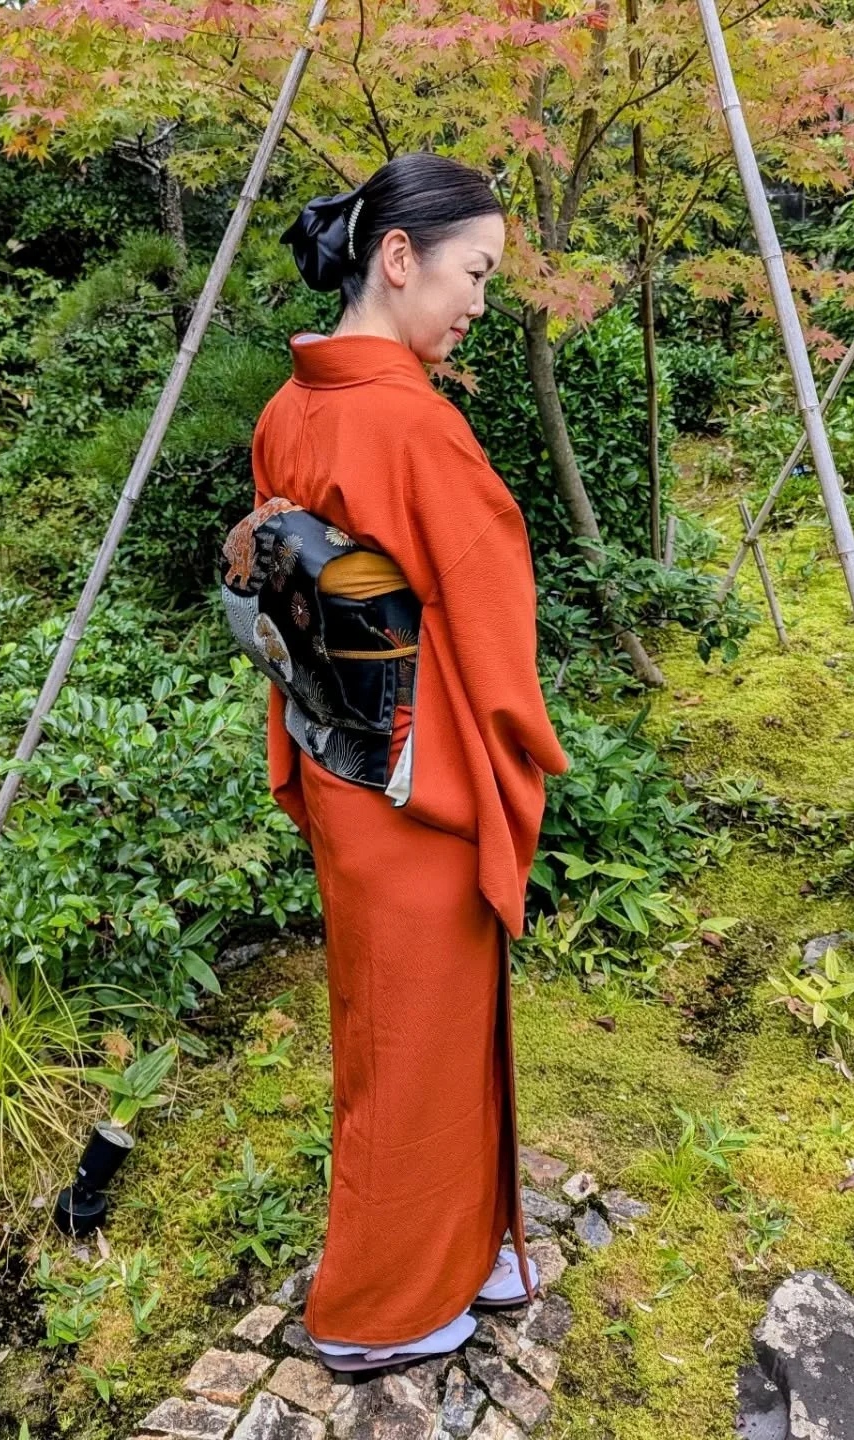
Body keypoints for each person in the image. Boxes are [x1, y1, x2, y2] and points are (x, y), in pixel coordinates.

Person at [247, 151, 569, 1373]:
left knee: (411, 1031)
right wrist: (517, 762)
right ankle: (374, 1309)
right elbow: (491, 632)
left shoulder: (293, 408)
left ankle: (466, 1242)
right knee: (413, 1042)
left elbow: (278, 601)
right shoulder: (414, 426)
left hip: (342, 763)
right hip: (418, 783)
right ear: (399, 258)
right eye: (474, 272)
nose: (481, 301)